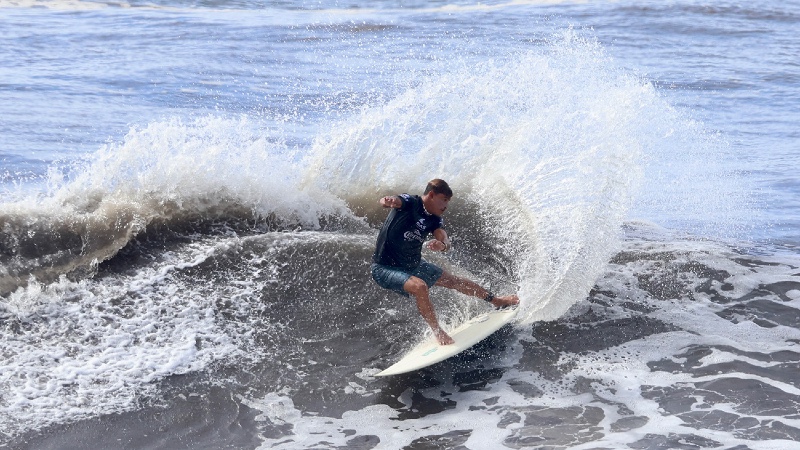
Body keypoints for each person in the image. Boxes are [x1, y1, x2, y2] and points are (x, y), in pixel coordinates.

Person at [370, 178, 519, 345]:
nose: (446, 205)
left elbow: (443, 236)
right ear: (432, 195)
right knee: (420, 286)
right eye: (444, 200)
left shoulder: (434, 219)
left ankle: (496, 300)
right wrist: (387, 201)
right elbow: (394, 200)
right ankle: (438, 332)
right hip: (384, 268)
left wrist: (442, 245)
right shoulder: (411, 202)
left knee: (453, 280)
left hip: (413, 265)